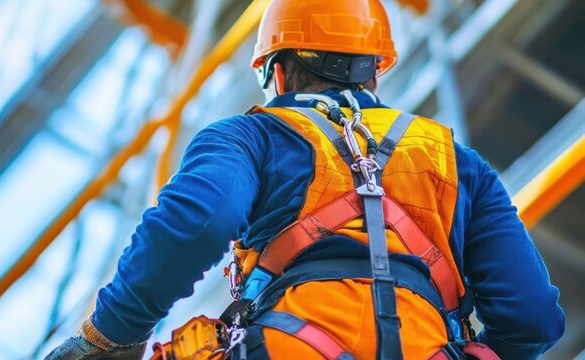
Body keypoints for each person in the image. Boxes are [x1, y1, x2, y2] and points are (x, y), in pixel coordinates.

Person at [46, 0, 565, 359]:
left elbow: (198, 221)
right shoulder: (456, 161)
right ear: (374, 71)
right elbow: (534, 316)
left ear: (276, 70)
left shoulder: (251, 136)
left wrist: (112, 332)